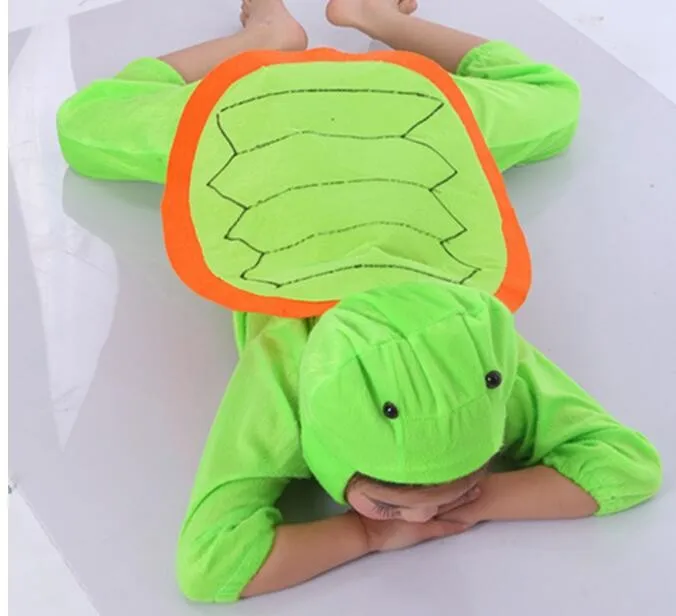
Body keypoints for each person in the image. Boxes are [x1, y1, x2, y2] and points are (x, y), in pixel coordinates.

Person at [57, 0, 662, 603]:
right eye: (390, 505)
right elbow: (211, 569)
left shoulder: (475, 341)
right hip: (261, 118)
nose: (422, 522)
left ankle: (366, 15)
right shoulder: (287, 366)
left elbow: (629, 467)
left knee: (555, 100)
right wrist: (366, 534)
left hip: (406, 118)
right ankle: (277, 33)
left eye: (457, 491)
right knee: (83, 125)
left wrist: (480, 501)